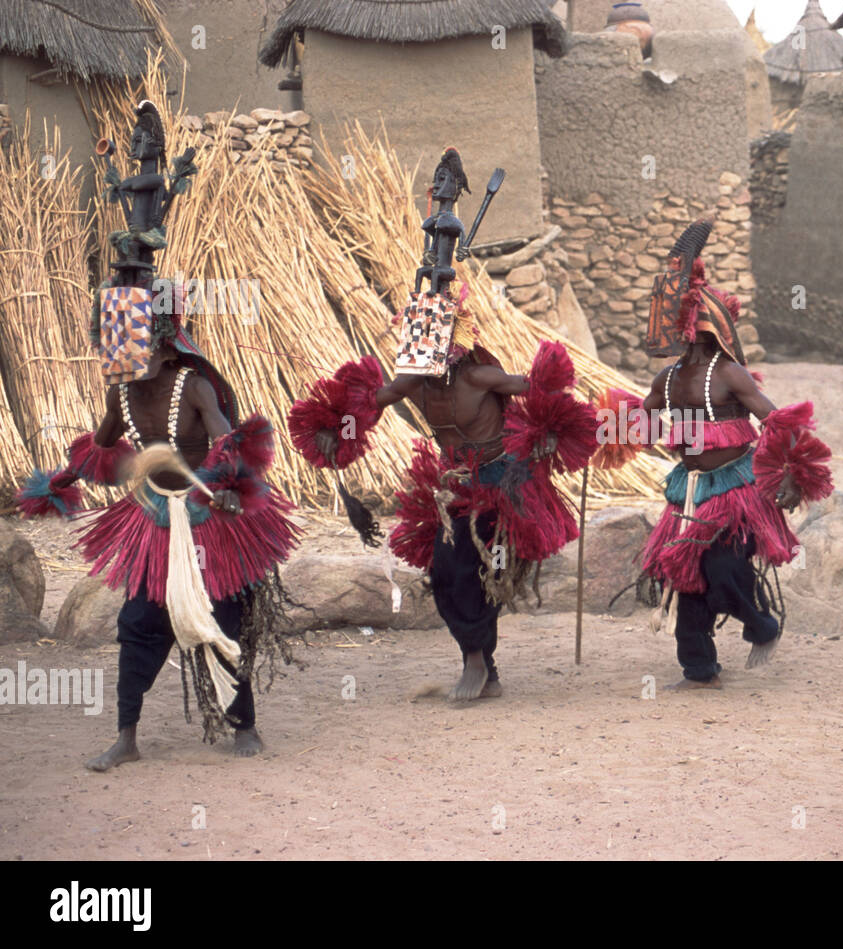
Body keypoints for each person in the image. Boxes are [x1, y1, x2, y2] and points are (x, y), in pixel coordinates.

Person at [19, 103, 299, 769]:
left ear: (167, 339)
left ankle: (242, 726)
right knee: (138, 624)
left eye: (140, 338)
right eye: (122, 340)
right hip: (153, 522)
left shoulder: (192, 386)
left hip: (207, 522)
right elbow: (103, 446)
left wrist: (232, 487)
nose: (129, 352)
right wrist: (64, 478)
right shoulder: (120, 390)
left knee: (223, 621)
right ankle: (126, 734)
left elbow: (230, 441)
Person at [288, 148, 597, 701]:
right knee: (450, 574)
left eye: (428, 340)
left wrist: (561, 426)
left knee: (481, 574)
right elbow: (368, 407)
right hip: (453, 488)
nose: (419, 349)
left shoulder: (481, 376)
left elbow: (539, 389)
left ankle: (479, 665)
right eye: (415, 340)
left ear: (450, 340)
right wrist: (336, 432)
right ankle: (481, 665)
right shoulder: (412, 381)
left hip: (503, 483)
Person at [600, 218, 833, 688]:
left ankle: (761, 624)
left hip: (737, 489)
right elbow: (636, 422)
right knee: (686, 575)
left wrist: (793, 475)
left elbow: (776, 422)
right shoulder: (665, 380)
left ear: (699, 326)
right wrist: (593, 431)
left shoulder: (728, 374)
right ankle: (699, 666)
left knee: (724, 567)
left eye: (675, 322)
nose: (668, 330)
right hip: (687, 491)